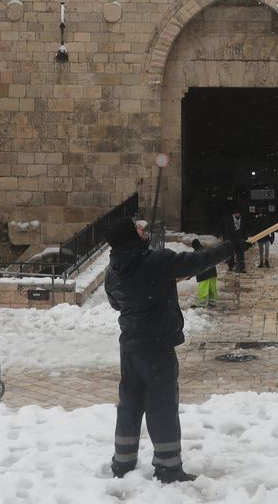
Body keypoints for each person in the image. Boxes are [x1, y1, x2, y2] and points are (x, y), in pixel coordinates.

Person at [105, 216, 245, 482]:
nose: (142, 229)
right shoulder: (155, 261)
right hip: (156, 347)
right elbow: (197, 261)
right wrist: (230, 247)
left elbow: (116, 303)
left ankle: (123, 463)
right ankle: (168, 468)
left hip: (130, 348)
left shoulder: (113, 270)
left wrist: (152, 285)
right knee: (162, 405)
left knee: (130, 405)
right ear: (130, 236)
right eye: (137, 228)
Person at [191, 238, 218, 307]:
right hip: (212, 271)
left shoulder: (196, 254)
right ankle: (212, 302)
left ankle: (201, 304)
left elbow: (195, 266)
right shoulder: (207, 250)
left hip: (203, 274)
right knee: (212, 287)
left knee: (203, 289)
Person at [223, 205, 247, 273]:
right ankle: (231, 266)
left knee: (241, 254)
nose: (238, 215)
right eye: (237, 214)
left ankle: (241, 267)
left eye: (239, 214)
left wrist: (245, 238)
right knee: (231, 254)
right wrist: (227, 240)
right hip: (231, 240)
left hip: (240, 240)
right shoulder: (229, 220)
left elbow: (244, 229)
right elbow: (226, 231)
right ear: (234, 214)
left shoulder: (242, 219)